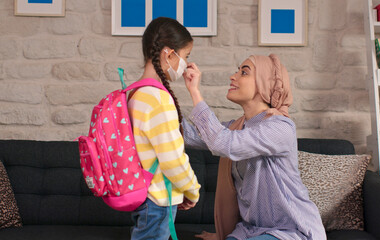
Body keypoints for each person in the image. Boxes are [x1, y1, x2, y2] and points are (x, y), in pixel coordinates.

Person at [182, 54, 326, 240]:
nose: (233, 76)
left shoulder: (280, 127)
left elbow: (223, 143)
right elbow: (191, 135)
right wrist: (161, 102)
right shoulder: (237, 127)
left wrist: (194, 92)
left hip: (291, 231)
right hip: (251, 230)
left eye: (244, 72)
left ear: (264, 84)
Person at [127, 17, 201, 240]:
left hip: (142, 196)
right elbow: (172, 158)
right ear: (169, 54)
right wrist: (192, 190)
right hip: (157, 199)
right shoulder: (158, 98)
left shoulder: (134, 93)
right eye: (185, 56)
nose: (186, 63)